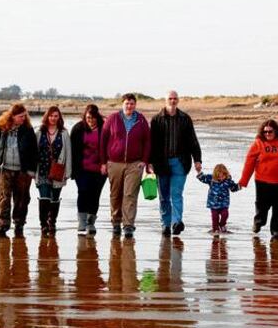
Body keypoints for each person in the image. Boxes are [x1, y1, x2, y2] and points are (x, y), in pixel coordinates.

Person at [150, 90, 202, 236]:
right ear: (165, 100)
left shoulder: (185, 119)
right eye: (170, 98)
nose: (173, 101)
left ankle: (176, 222)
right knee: (164, 196)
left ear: (178, 100)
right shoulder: (156, 120)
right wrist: (149, 162)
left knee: (176, 194)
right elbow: (151, 144)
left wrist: (197, 159)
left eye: (175, 99)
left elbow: (193, 140)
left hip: (180, 163)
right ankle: (165, 224)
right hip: (161, 164)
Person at [100, 93, 152, 239]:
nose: (129, 106)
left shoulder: (141, 120)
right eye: (127, 103)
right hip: (114, 163)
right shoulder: (112, 119)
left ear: (135, 105)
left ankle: (128, 225)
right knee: (115, 195)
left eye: (132, 103)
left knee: (130, 194)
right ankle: (116, 222)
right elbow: (103, 141)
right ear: (122, 104)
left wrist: (144, 161)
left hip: (135, 164)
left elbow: (147, 141)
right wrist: (104, 162)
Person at [238, 119, 278, 239]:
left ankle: (277, 231)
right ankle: (259, 222)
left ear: (276, 131)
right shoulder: (259, 142)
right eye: (265, 132)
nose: (267, 134)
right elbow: (249, 162)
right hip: (262, 181)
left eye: (270, 131)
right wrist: (243, 181)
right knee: (262, 206)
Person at [0, 103, 38, 237]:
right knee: (3, 198)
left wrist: (32, 170)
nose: (23, 118)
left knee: (22, 199)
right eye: (20, 116)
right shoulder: (0, 128)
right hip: (3, 169)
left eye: (24, 116)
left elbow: (34, 151)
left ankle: (19, 224)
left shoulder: (28, 130)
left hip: (23, 171)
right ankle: (2, 226)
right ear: (13, 116)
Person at [34, 106, 72, 236]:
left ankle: (52, 222)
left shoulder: (64, 133)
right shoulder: (39, 133)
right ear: (47, 117)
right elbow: (33, 153)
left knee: (54, 198)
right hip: (43, 170)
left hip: (58, 170)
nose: (53, 118)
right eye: (51, 116)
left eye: (56, 116)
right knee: (44, 197)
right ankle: (43, 224)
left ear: (59, 118)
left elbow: (68, 154)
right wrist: (32, 171)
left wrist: (68, 172)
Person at [70, 104, 107, 235]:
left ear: (97, 117)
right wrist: (71, 169)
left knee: (95, 195)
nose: (90, 120)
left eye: (92, 118)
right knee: (83, 191)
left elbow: (109, 147)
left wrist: (106, 163)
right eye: (88, 118)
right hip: (82, 168)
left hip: (99, 169)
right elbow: (72, 150)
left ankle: (91, 222)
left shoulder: (104, 128)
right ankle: (81, 221)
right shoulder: (78, 128)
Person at [196, 163, 241, 235]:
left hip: (224, 203)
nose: (221, 178)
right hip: (213, 204)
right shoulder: (211, 179)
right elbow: (203, 178)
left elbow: (233, 188)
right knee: (215, 217)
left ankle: (222, 224)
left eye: (223, 176)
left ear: (226, 174)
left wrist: (240, 185)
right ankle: (215, 229)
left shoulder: (228, 181)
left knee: (225, 214)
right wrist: (199, 171)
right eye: (219, 177)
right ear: (215, 175)